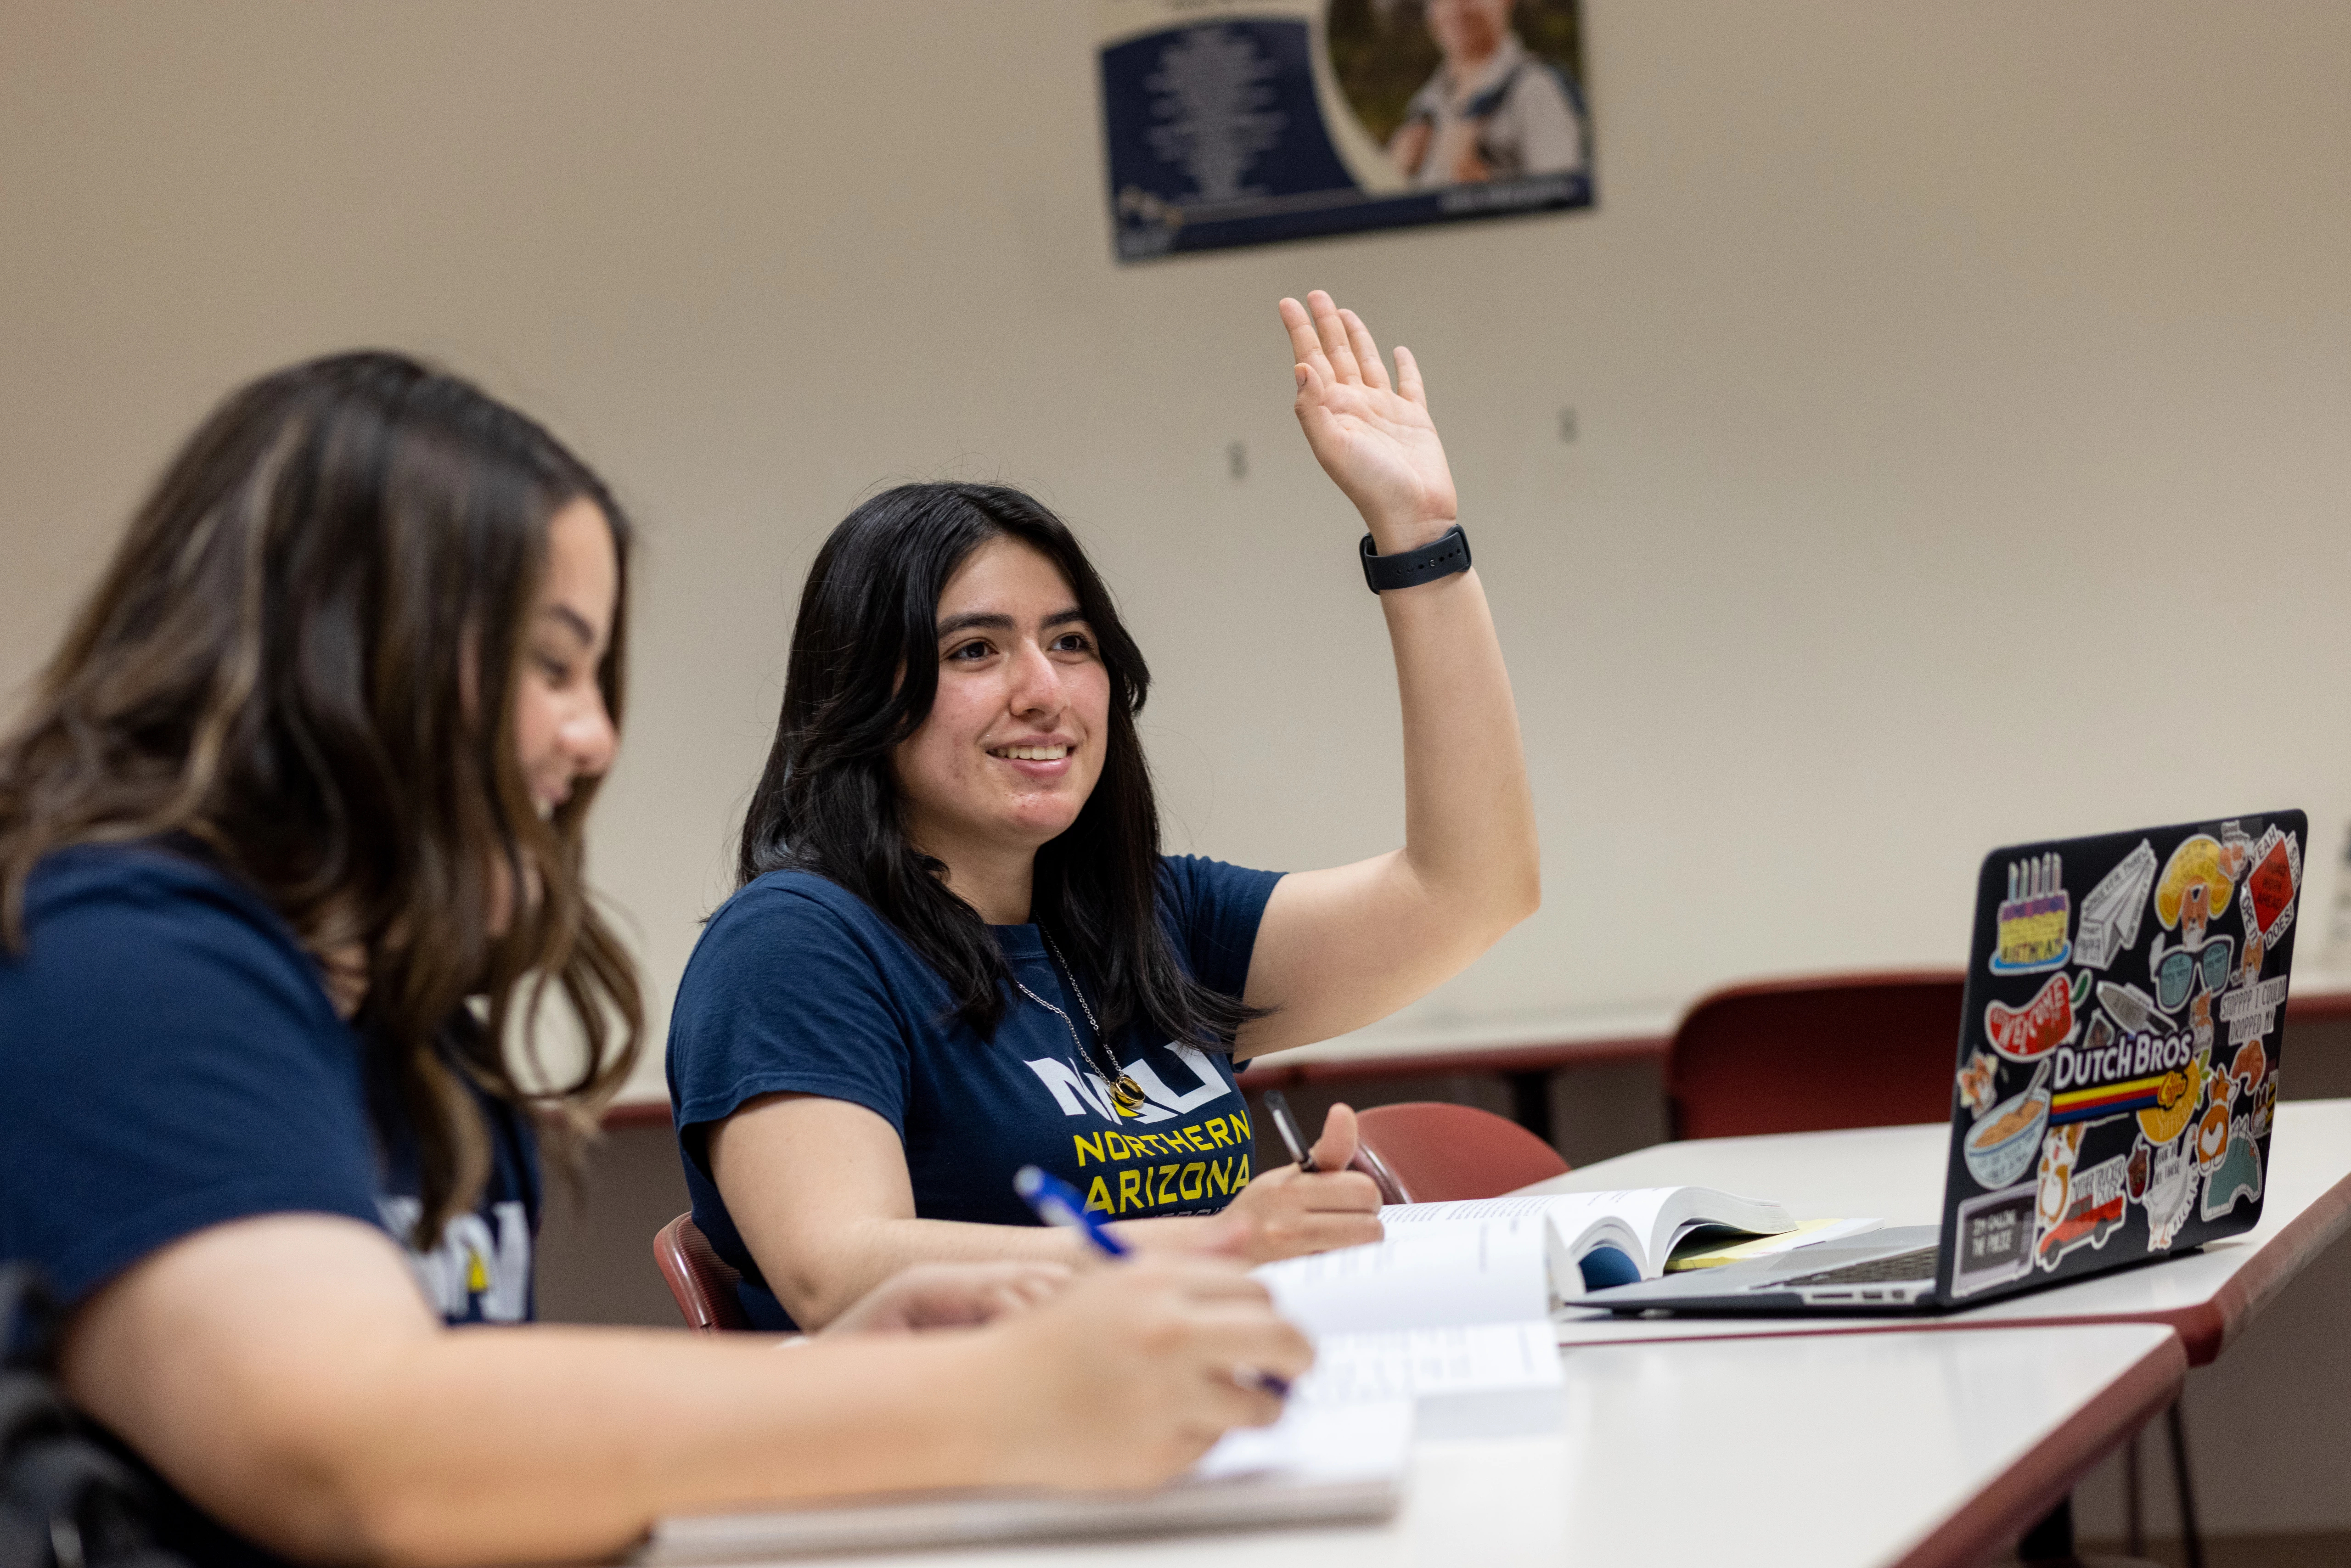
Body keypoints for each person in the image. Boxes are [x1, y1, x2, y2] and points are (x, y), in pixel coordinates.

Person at [0, 354, 1311, 1568]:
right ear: (340, 653)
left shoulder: (396, 1023)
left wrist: (829, 1374)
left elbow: (464, 1414)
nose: (591, 734)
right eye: (550, 664)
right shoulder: (118, 955)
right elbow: (356, 1448)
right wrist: (975, 1398)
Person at [667, 291, 1541, 1330]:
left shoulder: (1148, 917)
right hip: (951, 1468)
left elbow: (1472, 888)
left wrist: (1420, 537)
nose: (1044, 688)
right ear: (862, 696)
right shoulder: (796, 945)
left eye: (1071, 641)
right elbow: (841, 1264)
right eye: (974, 650)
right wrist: (1220, 1242)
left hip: (1184, 1431)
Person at [1386, 0, 1588, 188]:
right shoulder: (1423, 107)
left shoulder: (1536, 88)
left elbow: (1566, 199)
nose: (1457, 8)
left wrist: (1480, 184)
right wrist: (1393, 181)